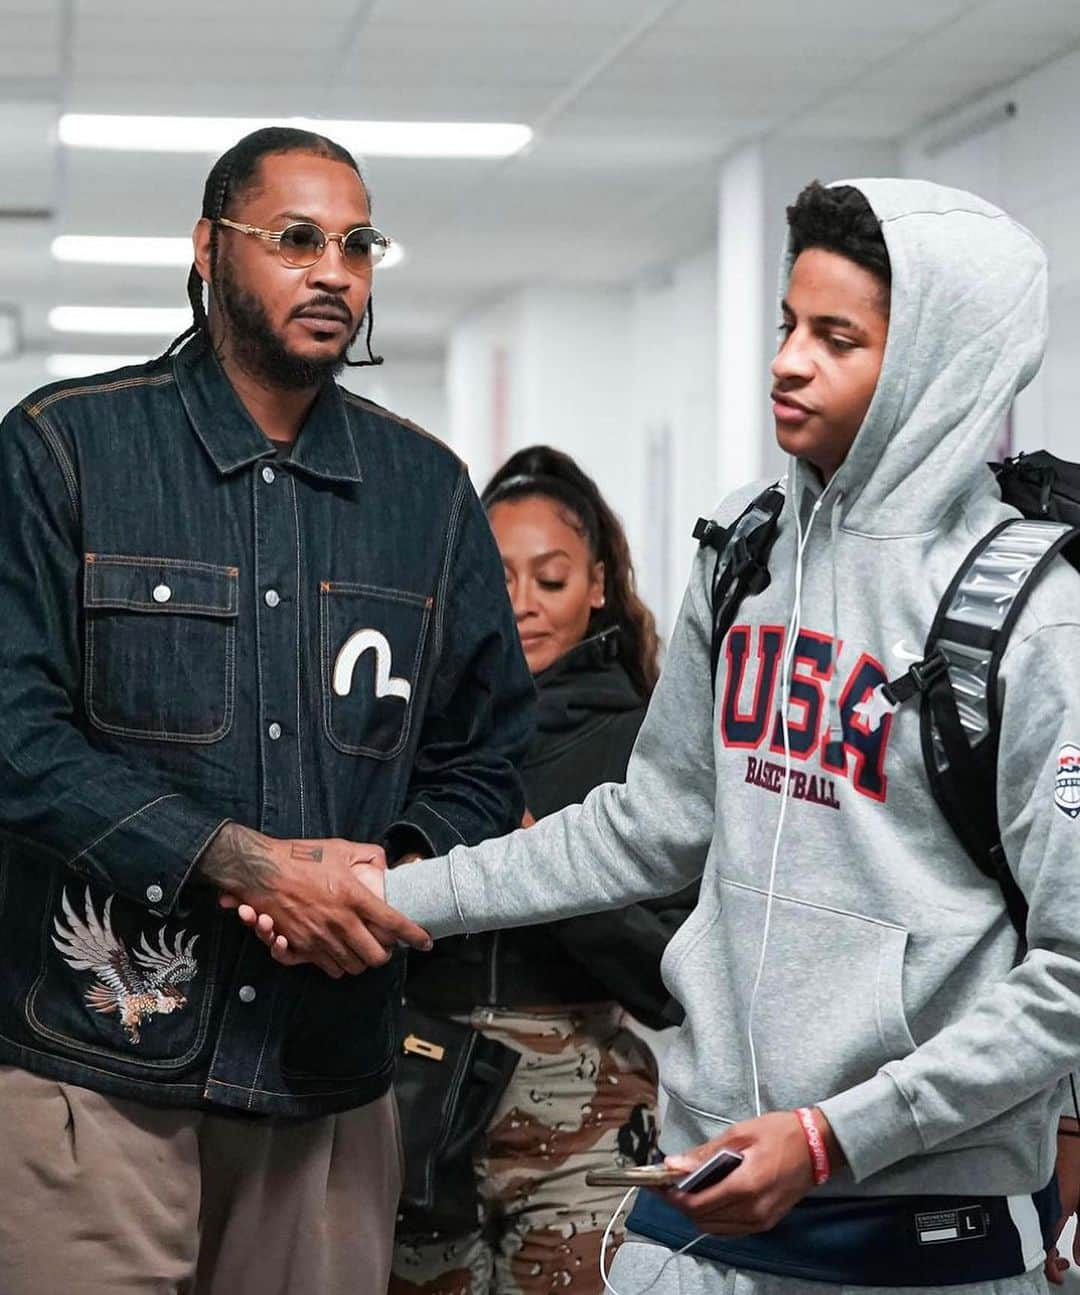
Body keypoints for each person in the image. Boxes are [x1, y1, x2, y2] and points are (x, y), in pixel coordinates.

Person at [252, 176, 1080, 1293]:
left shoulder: (1032, 615)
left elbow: (1069, 975)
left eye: (838, 339)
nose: (788, 361)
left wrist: (839, 1133)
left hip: (919, 1235)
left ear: (938, 366)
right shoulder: (748, 546)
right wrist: (392, 894)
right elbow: (647, 826)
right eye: (789, 325)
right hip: (694, 1209)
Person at [0, 126, 533, 1295]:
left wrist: (389, 875)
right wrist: (239, 864)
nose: (334, 270)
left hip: (325, 1071)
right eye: (296, 239)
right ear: (208, 247)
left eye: (357, 244)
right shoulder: (64, 448)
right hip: (98, 1065)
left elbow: (487, 756)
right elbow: (14, 739)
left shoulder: (426, 493)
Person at [392, 446, 697, 1295]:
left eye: (551, 580)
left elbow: (673, 975)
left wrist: (550, 869)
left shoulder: (647, 744)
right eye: (498, 578)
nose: (521, 606)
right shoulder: (413, 725)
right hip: (417, 1085)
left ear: (597, 584)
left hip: (584, 1103)